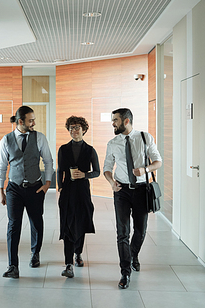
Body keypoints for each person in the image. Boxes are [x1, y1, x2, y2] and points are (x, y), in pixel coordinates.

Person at [103, 108, 162, 289]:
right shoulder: (112, 143)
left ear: (126, 121)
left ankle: (133, 254)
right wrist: (111, 182)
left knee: (141, 230)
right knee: (122, 233)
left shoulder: (145, 138)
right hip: (121, 191)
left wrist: (144, 170)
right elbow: (106, 167)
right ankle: (125, 271)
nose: (113, 123)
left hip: (141, 190)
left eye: (115, 120)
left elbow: (158, 161)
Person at [0, 105, 54, 279]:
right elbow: (1, 166)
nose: (34, 123)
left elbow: (49, 161)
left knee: (36, 222)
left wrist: (47, 184)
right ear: (20, 121)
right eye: (31, 120)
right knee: (13, 225)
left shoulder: (39, 138)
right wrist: (0, 190)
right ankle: (13, 265)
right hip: (14, 188)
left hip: (35, 187)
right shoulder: (6, 140)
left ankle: (35, 253)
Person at [57, 116, 100, 278]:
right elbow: (60, 170)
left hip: (82, 192)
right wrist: (60, 187)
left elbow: (97, 171)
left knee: (80, 224)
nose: (73, 131)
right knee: (67, 226)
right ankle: (68, 264)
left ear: (84, 129)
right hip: (67, 192)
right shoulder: (63, 149)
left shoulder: (90, 150)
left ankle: (78, 253)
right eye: (71, 128)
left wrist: (84, 174)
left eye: (76, 128)